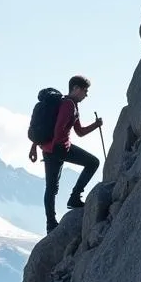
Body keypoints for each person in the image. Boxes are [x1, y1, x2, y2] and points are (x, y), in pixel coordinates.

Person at [28, 75, 103, 234]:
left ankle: (51, 224)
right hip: (59, 149)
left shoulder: (69, 104)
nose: (86, 94)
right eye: (84, 90)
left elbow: (79, 132)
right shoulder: (69, 105)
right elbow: (59, 127)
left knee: (51, 188)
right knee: (93, 163)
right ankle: (74, 198)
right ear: (75, 88)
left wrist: (96, 125)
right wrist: (57, 148)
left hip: (50, 149)